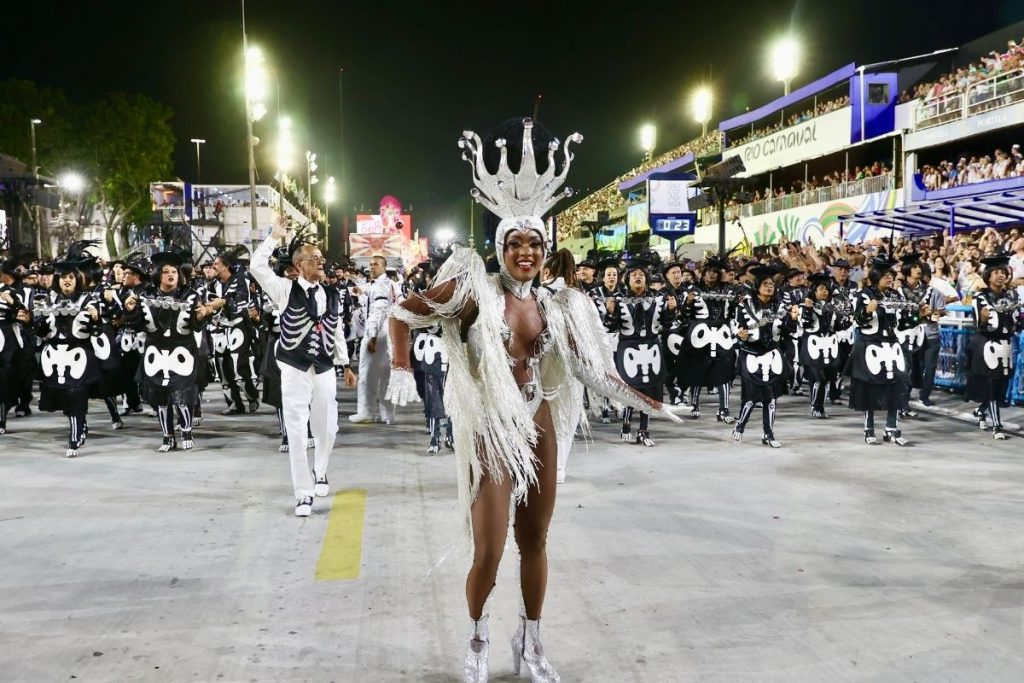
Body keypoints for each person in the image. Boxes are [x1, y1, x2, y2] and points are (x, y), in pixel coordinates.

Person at [385, 118, 681, 682]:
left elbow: (596, 374)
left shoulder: (559, 304)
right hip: (494, 425)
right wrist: (400, 365)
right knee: (490, 549)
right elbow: (403, 311)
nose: (525, 252)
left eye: (535, 243)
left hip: (538, 419)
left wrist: (650, 403)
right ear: (500, 248)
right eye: (515, 242)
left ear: (547, 251)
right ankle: (478, 637)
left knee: (536, 539)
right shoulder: (473, 288)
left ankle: (533, 638)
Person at [250, 220, 356, 517]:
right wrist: (272, 238)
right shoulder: (284, 289)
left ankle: (320, 470)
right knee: (297, 430)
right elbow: (257, 267)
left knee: (328, 427)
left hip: (323, 367)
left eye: (322, 258)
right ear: (298, 266)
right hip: (294, 367)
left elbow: (335, 332)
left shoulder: (331, 294)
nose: (322, 262)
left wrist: (345, 364)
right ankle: (303, 492)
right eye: (315, 258)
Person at [124, 252, 221, 452]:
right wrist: (131, 310)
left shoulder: (190, 294)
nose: (171, 275)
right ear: (158, 274)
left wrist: (205, 313)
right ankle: (167, 437)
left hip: (182, 349)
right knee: (160, 397)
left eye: (174, 271)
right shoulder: (145, 295)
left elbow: (195, 325)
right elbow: (137, 325)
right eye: (166, 272)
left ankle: (186, 431)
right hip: (155, 351)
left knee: (183, 394)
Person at [848, 256, 928, 446]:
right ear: (876, 277)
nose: (890, 279)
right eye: (885, 276)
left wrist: (920, 317)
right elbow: (858, 320)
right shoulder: (863, 295)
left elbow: (903, 323)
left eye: (891, 276)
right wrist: (867, 311)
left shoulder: (896, 296)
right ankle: (869, 429)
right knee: (870, 387)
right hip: (870, 345)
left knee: (897, 385)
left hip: (892, 346)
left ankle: (892, 429)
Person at [605, 260, 676, 446]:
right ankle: (627, 422)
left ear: (646, 280)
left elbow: (667, 324)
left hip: (651, 347)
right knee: (631, 388)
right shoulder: (618, 300)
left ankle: (644, 430)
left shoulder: (658, 299)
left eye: (641, 275)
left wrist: (672, 310)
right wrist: (611, 312)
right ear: (627, 280)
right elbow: (610, 327)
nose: (638, 277)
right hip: (628, 347)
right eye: (634, 275)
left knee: (649, 389)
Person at [732, 266, 798, 447]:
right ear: (757, 287)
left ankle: (768, 434)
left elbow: (787, 331)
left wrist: (792, 319)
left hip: (773, 356)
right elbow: (737, 328)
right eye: (765, 284)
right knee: (752, 396)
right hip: (751, 354)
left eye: (771, 284)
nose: (769, 287)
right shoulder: (744, 305)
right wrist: (741, 335)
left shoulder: (780, 306)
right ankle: (740, 425)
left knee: (770, 397)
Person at [965, 256, 1021, 439]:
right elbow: (980, 323)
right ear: (988, 276)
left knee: (1001, 385)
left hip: (1006, 344)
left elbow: (1018, 320)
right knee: (991, 383)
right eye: (996, 272)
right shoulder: (980, 296)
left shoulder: (1012, 295)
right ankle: (997, 426)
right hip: (986, 344)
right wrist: (983, 316)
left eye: (1003, 272)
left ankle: (981, 411)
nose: (1001, 276)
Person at [350, 255, 397, 424]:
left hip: (378, 332)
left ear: (384, 267)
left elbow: (379, 311)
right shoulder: (388, 285)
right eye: (370, 264)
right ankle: (388, 415)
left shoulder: (381, 286)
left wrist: (372, 336)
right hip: (389, 332)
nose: (371, 267)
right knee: (386, 374)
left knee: (367, 374)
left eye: (375, 264)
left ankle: (366, 411)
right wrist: (361, 293)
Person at [799, 273, 842, 418]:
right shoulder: (804, 306)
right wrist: (808, 309)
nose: (825, 291)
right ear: (814, 291)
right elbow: (805, 324)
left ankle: (820, 406)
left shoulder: (830, 307)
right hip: (812, 346)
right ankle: (815, 407)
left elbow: (837, 326)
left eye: (826, 289)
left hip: (829, 346)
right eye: (821, 288)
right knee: (817, 378)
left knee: (828, 378)